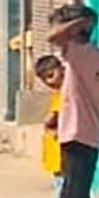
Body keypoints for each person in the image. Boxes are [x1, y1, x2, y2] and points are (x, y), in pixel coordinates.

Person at [47, 3, 99, 198]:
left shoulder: (81, 54)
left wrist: (80, 23)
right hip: (77, 133)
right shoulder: (87, 54)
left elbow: (54, 37)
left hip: (81, 134)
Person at [34, 52, 65, 182]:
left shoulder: (66, 93)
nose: (49, 82)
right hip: (56, 158)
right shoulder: (57, 94)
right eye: (44, 79)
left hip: (64, 156)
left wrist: (49, 122)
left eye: (51, 76)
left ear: (62, 69)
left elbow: (53, 116)